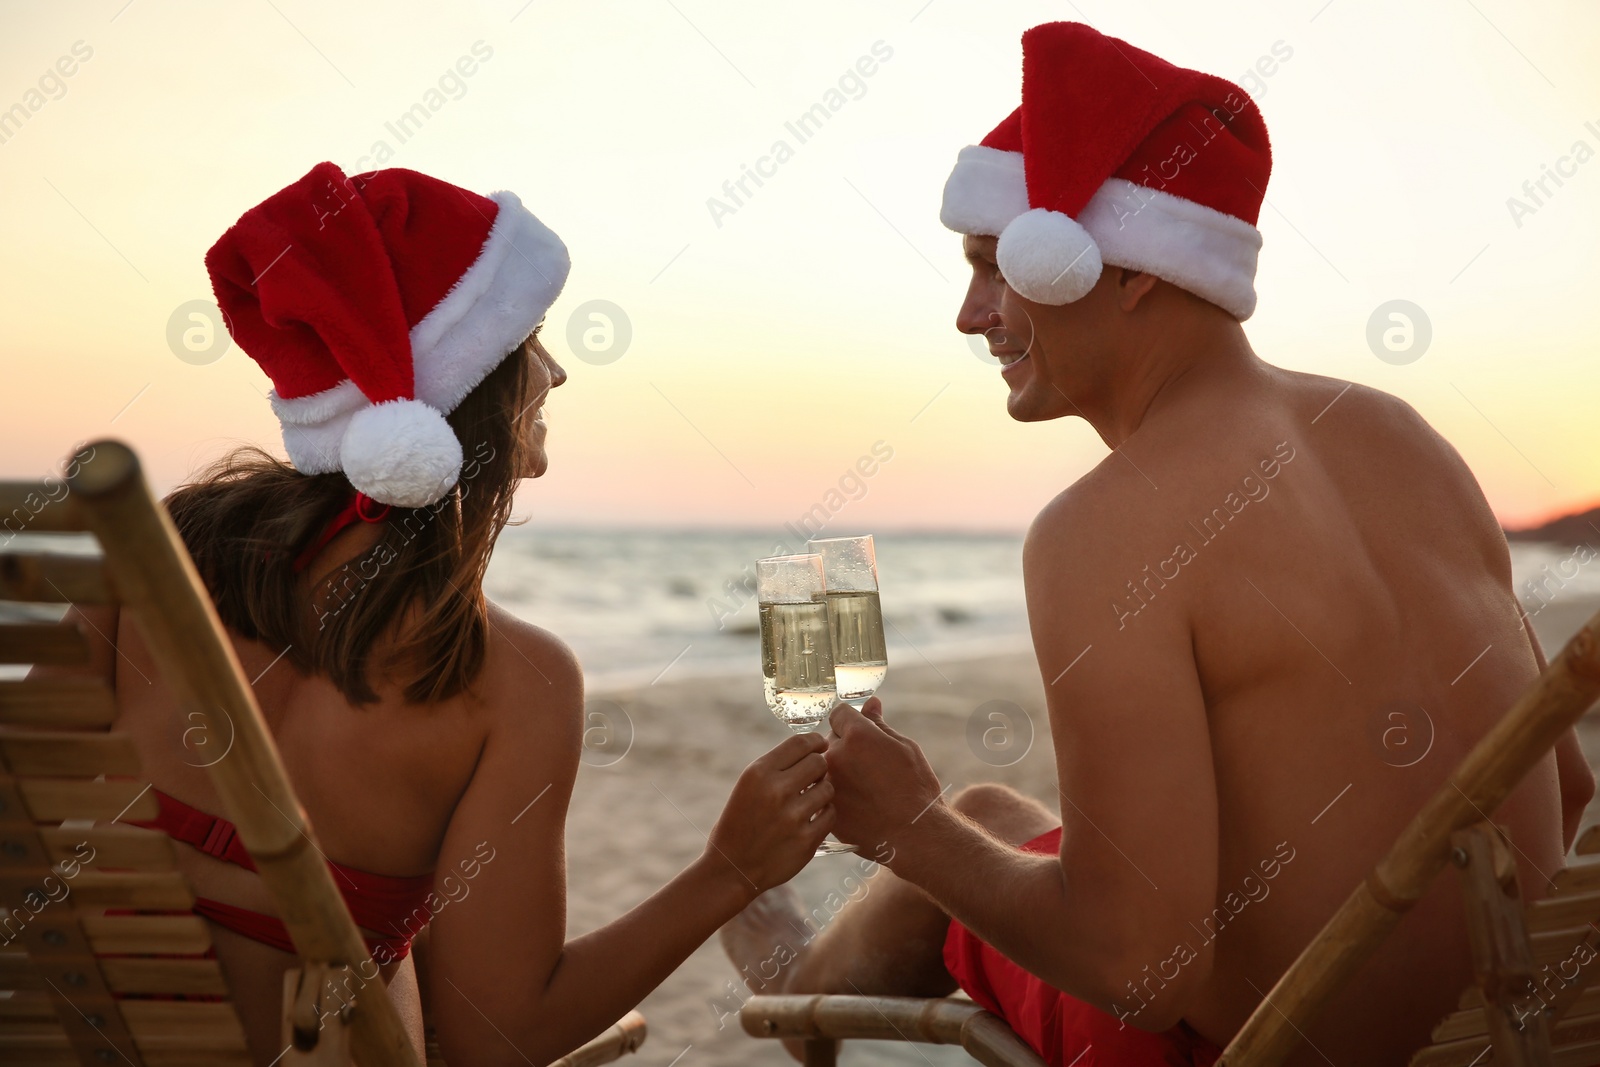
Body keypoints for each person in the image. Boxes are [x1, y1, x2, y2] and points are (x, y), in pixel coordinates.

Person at [719, 21, 1595, 1066]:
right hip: (1517, 1027)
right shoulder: (1400, 435)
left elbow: (1143, 970)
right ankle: (818, 966)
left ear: (1129, 271)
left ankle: (800, 996)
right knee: (990, 808)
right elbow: (1567, 791)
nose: (968, 315)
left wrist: (903, 825)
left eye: (996, 268)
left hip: (1266, 1047)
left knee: (940, 845)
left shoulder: (1103, 528)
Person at [42, 162, 835, 1067]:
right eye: (531, 339)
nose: (558, 371)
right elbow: (498, 1039)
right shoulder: (510, 684)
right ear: (464, 387)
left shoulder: (156, 556)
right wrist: (728, 872)